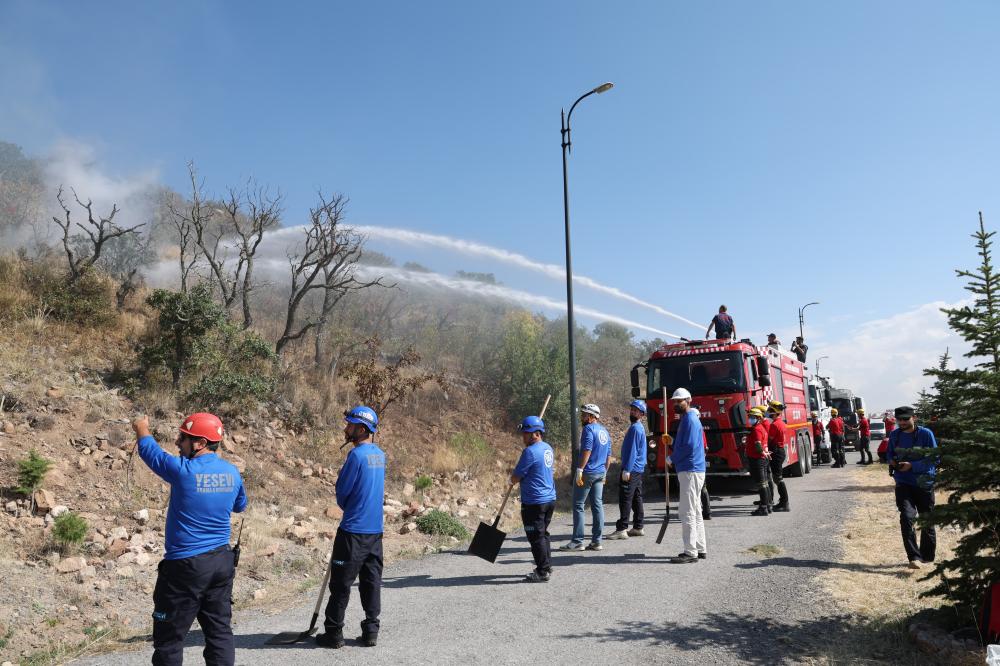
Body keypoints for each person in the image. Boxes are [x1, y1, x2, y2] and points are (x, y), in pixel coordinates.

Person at [132, 413, 247, 666]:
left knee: (169, 638)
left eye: (183, 438)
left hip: (185, 567)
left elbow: (152, 454)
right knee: (219, 633)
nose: (177, 442)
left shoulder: (183, 471)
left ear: (200, 443)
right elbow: (240, 505)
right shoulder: (232, 472)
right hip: (221, 563)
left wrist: (142, 429)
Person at [317, 406, 385, 649]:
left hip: (353, 532)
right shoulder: (380, 454)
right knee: (371, 581)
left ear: (362, 429)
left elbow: (342, 495)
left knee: (341, 584)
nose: (346, 429)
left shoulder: (355, 456)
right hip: (375, 532)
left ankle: (334, 633)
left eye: (350, 425)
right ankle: (370, 631)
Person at [886, 405, 938, 569]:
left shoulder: (926, 434)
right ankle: (913, 557)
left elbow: (934, 459)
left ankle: (927, 558)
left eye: (905, 419)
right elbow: (889, 454)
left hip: (924, 483)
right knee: (907, 517)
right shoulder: (895, 435)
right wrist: (892, 461)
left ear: (914, 418)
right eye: (899, 420)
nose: (901, 422)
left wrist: (912, 466)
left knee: (926, 521)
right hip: (903, 483)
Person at [511, 416, 557, 582]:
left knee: (536, 537)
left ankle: (542, 571)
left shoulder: (529, 452)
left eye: (526, 433)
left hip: (534, 502)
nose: (523, 436)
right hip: (549, 499)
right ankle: (547, 565)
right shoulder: (547, 448)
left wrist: (513, 479)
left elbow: (516, 477)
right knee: (543, 534)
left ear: (536, 434)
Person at [561, 404, 611, 552]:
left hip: (588, 472)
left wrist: (580, 469)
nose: (582, 417)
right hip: (600, 472)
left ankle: (577, 541)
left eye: (584, 415)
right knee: (597, 505)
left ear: (591, 417)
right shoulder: (605, 431)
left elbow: (587, 451)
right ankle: (597, 541)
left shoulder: (588, 430)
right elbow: (608, 456)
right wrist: (605, 473)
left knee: (578, 505)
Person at [667, 388, 707, 563]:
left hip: (690, 470)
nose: (676, 404)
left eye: (679, 401)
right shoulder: (687, 419)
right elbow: (685, 443)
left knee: (687, 511)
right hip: (693, 469)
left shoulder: (689, 419)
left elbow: (689, 447)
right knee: (696, 510)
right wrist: (672, 443)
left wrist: (672, 457)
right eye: (675, 401)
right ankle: (700, 547)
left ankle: (691, 552)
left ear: (688, 400)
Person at [608, 400, 647, 540]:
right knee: (636, 497)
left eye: (636, 410)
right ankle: (638, 526)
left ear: (642, 414)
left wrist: (627, 469)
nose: (632, 412)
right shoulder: (638, 427)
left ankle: (622, 529)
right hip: (637, 469)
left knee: (625, 498)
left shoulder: (636, 428)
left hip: (632, 468)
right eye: (632, 409)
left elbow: (633, 451)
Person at [746, 407, 772, 516]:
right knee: (764, 484)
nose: (750, 419)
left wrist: (762, 452)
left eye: (752, 417)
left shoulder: (757, 429)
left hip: (757, 459)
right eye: (749, 417)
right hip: (762, 458)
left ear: (758, 418)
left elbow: (757, 444)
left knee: (761, 484)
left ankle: (763, 508)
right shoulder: (761, 428)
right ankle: (768, 505)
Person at [766, 403, 791, 512]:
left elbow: (770, 439)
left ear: (774, 412)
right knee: (778, 478)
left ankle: (784, 503)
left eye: (770, 410)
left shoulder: (774, 425)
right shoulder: (781, 423)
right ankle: (783, 502)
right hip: (780, 451)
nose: (769, 412)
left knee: (778, 478)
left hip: (776, 451)